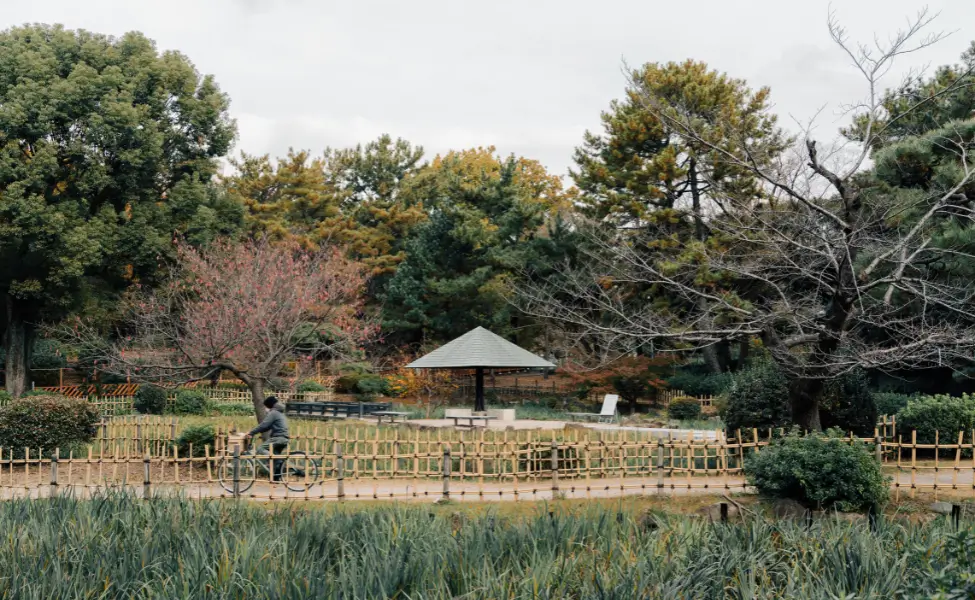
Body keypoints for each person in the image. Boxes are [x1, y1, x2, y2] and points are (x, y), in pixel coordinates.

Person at [243, 396, 290, 482]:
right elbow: (267, 427)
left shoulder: (273, 413)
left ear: (269, 405)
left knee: (260, 449)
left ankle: (279, 460)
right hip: (284, 438)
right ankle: (276, 479)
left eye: (266, 406)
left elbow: (264, 425)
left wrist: (251, 432)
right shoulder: (280, 412)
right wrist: (256, 432)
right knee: (275, 457)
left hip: (278, 437)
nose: (265, 409)